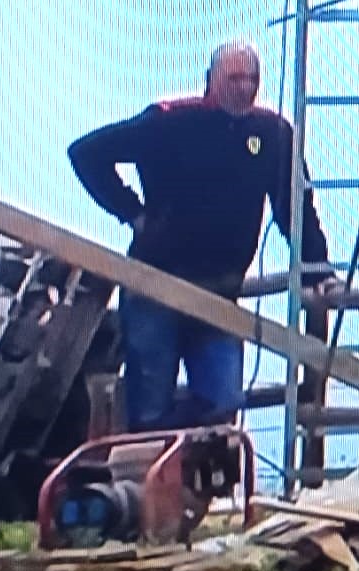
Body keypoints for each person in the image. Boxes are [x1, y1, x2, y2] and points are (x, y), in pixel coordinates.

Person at [69, 41, 335, 432]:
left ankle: (199, 479)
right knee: (150, 411)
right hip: (155, 288)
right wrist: (133, 213)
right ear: (211, 80)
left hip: (219, 294)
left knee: (223, 405)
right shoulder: (170, 121)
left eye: (252, 79)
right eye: (234, 78)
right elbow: (87, 153)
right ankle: (151, 479)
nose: (245, 87)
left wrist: (319, 270)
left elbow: (295, 211)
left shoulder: (272, 133)